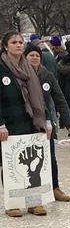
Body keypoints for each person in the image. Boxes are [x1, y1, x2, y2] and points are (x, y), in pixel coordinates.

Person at [0, 30, 51, 217]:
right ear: (6, 46)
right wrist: (0, 124)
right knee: (10, 161)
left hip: (30, 120)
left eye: (21, 42)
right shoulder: (1, 67)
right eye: (14, 42)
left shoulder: (28, 66)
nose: (19, 45)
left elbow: (39, 97)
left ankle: (32, 201)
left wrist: (46, 120)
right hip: (10, 120)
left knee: (31, 160)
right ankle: (12, 202)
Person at [24, 43, 70, 204]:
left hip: (46, 122)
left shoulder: (47, 75)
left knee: (51, 156)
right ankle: (25, 191)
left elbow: (59, 97)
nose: (34, 57)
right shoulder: (20, 74)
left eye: (37, 55)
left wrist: (67, 119)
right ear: (25, 57)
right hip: (25, 122)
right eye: (31, 55)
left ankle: (55, 187)